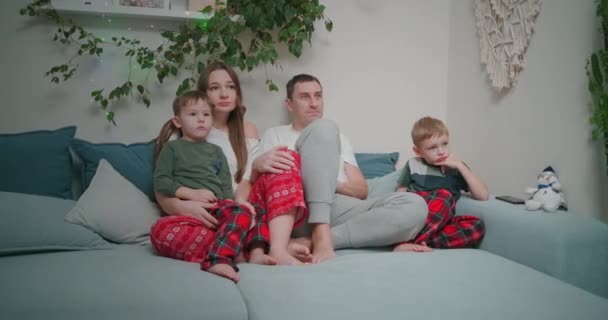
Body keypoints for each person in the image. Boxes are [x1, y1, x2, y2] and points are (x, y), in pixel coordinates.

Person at [150, 62, 311, 270]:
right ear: (203, 94)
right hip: (201, 212)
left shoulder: (248, 130)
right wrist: (182, 206)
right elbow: (161, 184)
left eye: (230, 87)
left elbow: (244, 183)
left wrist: (246, 193)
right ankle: (255, 246)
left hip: (234, 206)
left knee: (284, 159)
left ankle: (275, 248)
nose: (224, 94)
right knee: (162, 233)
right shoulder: (182, 133)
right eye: (214, 88)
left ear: (237, 93)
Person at [253, 74, 429, 263]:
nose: (314, 103)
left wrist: (323, 180)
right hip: (295, 209)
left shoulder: (339, 138)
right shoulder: (274, 135)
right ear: (289, 104)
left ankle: (313, 241)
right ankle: (319, 233)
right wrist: (256, 165)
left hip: (336, 206)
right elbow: (256, 186)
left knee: (415, 206)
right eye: (305, 97)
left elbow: (361, 190)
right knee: (324, 127)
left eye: (318, 96)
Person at [152, 90, 263, 282]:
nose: (201, 120)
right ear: (178, 121)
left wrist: (231, 205)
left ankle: (241, 250)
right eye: (193, 115)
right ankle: (222, 255)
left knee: (254, 212)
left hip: (219, 209)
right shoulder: (173, 148)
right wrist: (191, 194)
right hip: (190, 213)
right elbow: (161, 181)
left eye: (206, 115)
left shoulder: (216, 151)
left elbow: (226, 184)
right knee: (159, 231)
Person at [394, 116, 487, 250]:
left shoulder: (455, 168)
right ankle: (403, 242)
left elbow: (483, 196)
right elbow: (400, 195)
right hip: (416, 215)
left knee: (476, 226)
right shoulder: (414, 164)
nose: (441, 151)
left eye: (444, 144)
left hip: (440, 223)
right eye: (432, 147)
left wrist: (461, 166)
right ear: (418, 151)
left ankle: (422, 241)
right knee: (444, 196)